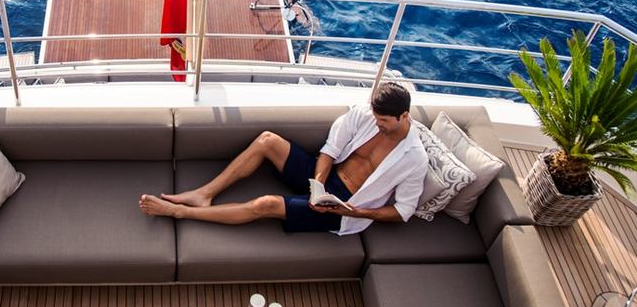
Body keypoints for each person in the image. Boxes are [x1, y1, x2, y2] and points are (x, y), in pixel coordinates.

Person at [139, 82, 429, 234]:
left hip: (343, 211)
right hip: (324, 181)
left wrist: (353, 212)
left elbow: (402, 212)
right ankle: (204, 194)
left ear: (404, 116)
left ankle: (182, 212)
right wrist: (318, 185)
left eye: (384, 122)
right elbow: (330, 149)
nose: (377, 124)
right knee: (268, 140)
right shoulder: (366, 114)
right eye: (376, 118)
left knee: (266, 204)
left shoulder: (413, 158)